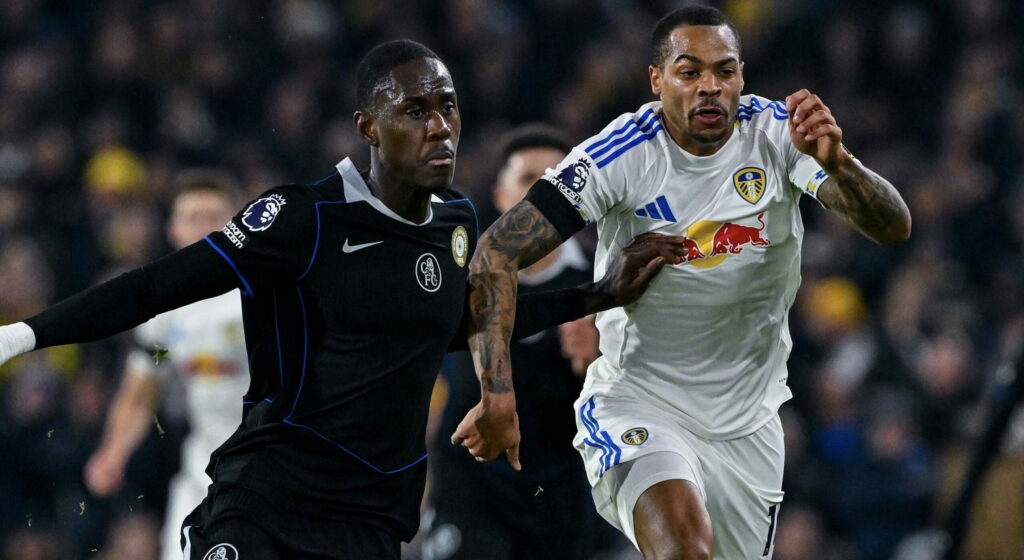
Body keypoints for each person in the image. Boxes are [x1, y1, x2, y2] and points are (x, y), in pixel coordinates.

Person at [0, 40, 689, 559]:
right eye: (415, 110)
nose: (440, 127)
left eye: (447, 107)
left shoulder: (455, 223)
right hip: (268, 504)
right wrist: (22, 335)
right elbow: (155, 287)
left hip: (370, 522)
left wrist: (597, 294)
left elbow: (461, 320)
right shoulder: (305, 218)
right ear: (368, 127)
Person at [452, 6, 912, 559]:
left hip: (747, 425)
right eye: (689, 72)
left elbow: (893, 227)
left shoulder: (779, 133)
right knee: (684, 551)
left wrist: (841, 166)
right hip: (639, 403)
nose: (709, 87)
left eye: (725, 71)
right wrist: (497, 395)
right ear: (657, 79)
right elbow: (495, 253)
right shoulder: (623, 153)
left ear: (741, 76)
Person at [424, 124, 612, 560]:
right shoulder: (454, 275)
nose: (540, 196)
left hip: (558, 495)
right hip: (469, 491)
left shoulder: (605, 284)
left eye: (555, 181)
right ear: (499, 194)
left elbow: (638, 410)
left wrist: (598, 366)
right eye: (528, 180)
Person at [83, 170, 247, 560]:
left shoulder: (270, 296)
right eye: (193, 217)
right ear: (173, 229)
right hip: (206, 469)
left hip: (278, 468)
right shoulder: (166, 316)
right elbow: (141, 392)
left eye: (215, 217)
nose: (205, 228)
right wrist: (113, 451)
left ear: (239, 226)